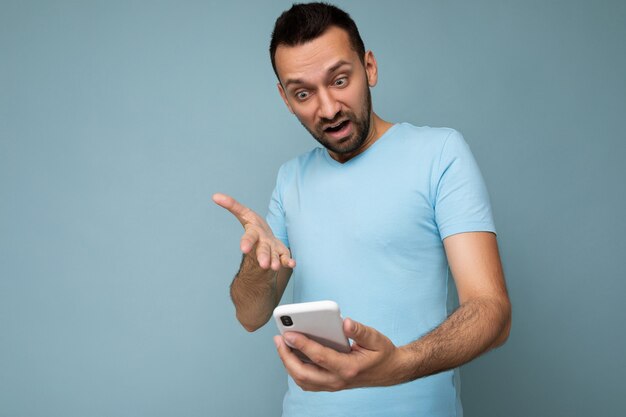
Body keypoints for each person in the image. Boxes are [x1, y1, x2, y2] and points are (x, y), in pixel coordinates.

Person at [213, 3, 511, 416]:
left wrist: (397, 365)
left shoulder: (439, 153)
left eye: (339, 80)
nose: (329, 108)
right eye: (303, 93)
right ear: (285, 99)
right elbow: (250, 316)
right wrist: (254, 266)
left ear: (368, 67)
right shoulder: (290, 179)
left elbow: (492, 311)